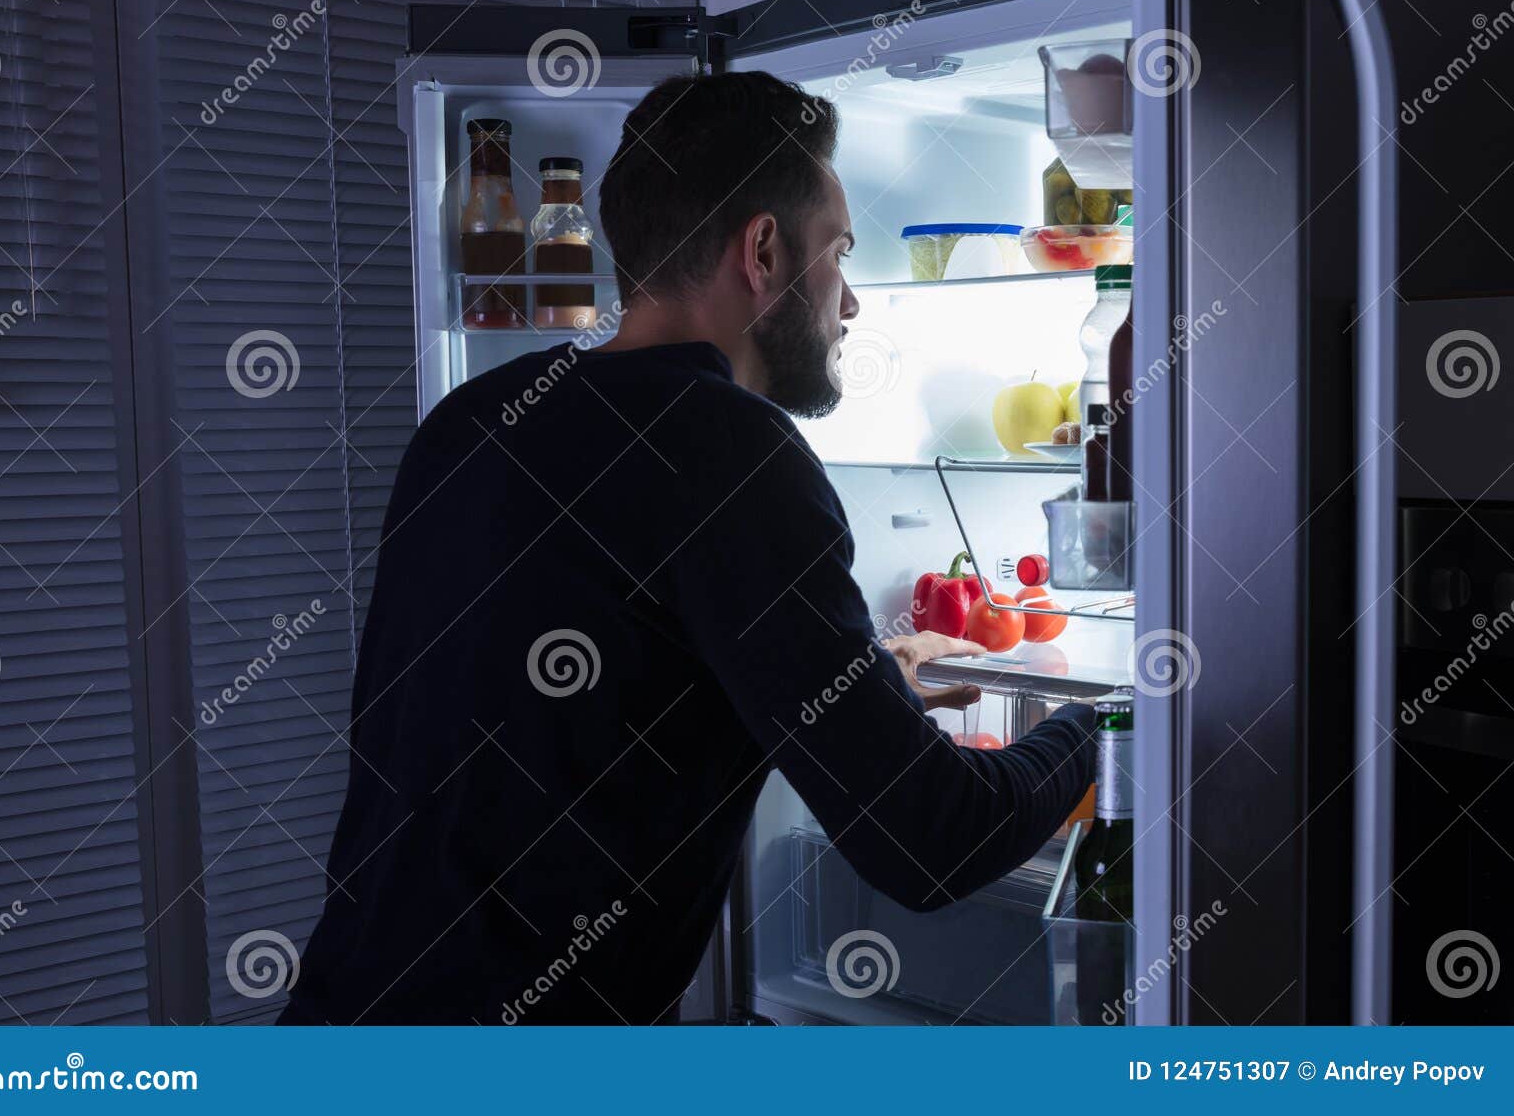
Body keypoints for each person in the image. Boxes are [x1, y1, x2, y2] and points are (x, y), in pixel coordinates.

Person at [281, 72, 1094, 1026]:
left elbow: (614, 686)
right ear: (762, 250)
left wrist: (864, 676)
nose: (852, 302)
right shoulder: (731, 452)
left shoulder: (473, 421)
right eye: (838, 251)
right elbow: (930, 841)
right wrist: (1100, 724)